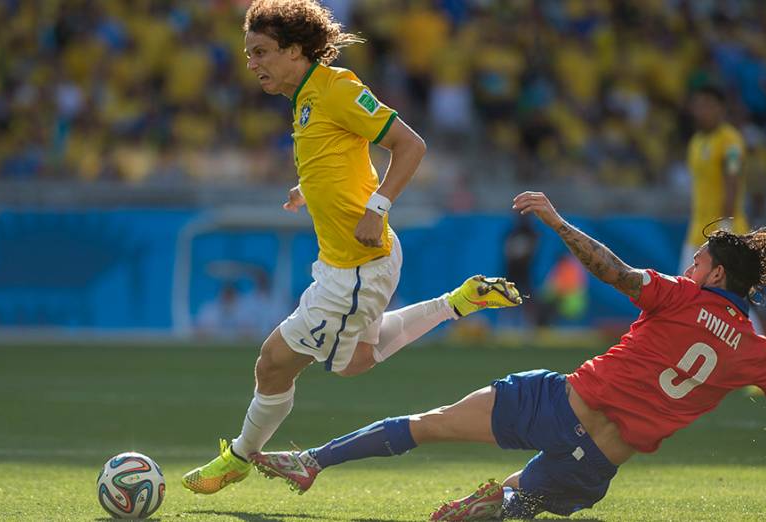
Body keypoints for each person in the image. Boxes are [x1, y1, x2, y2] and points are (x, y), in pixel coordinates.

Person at [247, 191, 766, 520]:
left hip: (555, 406)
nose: (690, 262)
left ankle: (312, 462)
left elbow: (613, 270)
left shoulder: (684, 295)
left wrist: (555, 220)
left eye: (699, 258)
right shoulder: (755, 350)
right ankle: (507, 502)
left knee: (428, 425)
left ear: (715, 272)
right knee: (508, 505)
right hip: (595, 466)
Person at [181, 0, 523, 495]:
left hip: (357, 266)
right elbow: (338, 157)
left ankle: (239, 456)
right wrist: (310, 189)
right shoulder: (303, 98)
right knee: (350, 360)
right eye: (248, 53)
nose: (251, 63)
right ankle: (458, 302)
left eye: (261, 52)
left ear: (296, 51)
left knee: (275, 361)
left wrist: (378, 206)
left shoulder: (337, 88)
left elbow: (411, 145)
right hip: (352, 262)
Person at [680, 84, 748, 274]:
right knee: (685, 295)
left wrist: (725, 226)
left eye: (707, 106)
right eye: (698, 106)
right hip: (696, 232)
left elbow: (732, 178)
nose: (701, 111)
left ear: (721, 108)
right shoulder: (696, 142)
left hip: (724, 230)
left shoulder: (730, 141)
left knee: (728, 296)